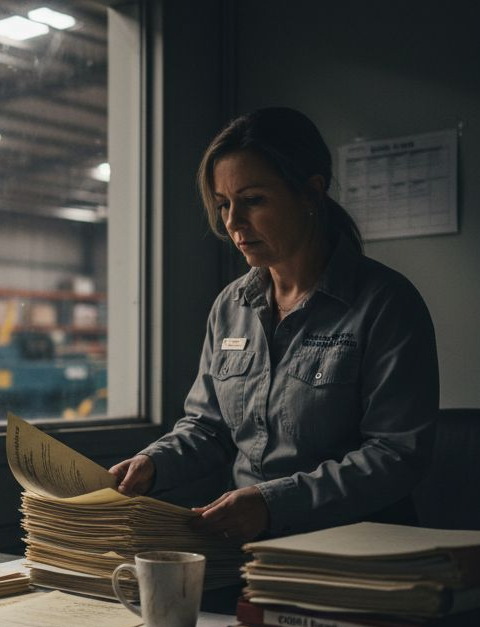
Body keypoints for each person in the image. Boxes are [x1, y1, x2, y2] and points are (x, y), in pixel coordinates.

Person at [110, 107, 438, 543]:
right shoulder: (231, 306)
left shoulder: (385, 303)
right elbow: (209, 427)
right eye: (223, 204)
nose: (232, 222)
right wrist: (154, 463)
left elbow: (395, 455)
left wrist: (272, 503)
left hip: (358, 552)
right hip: (252, 552)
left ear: (311, 194)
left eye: (253, 201)